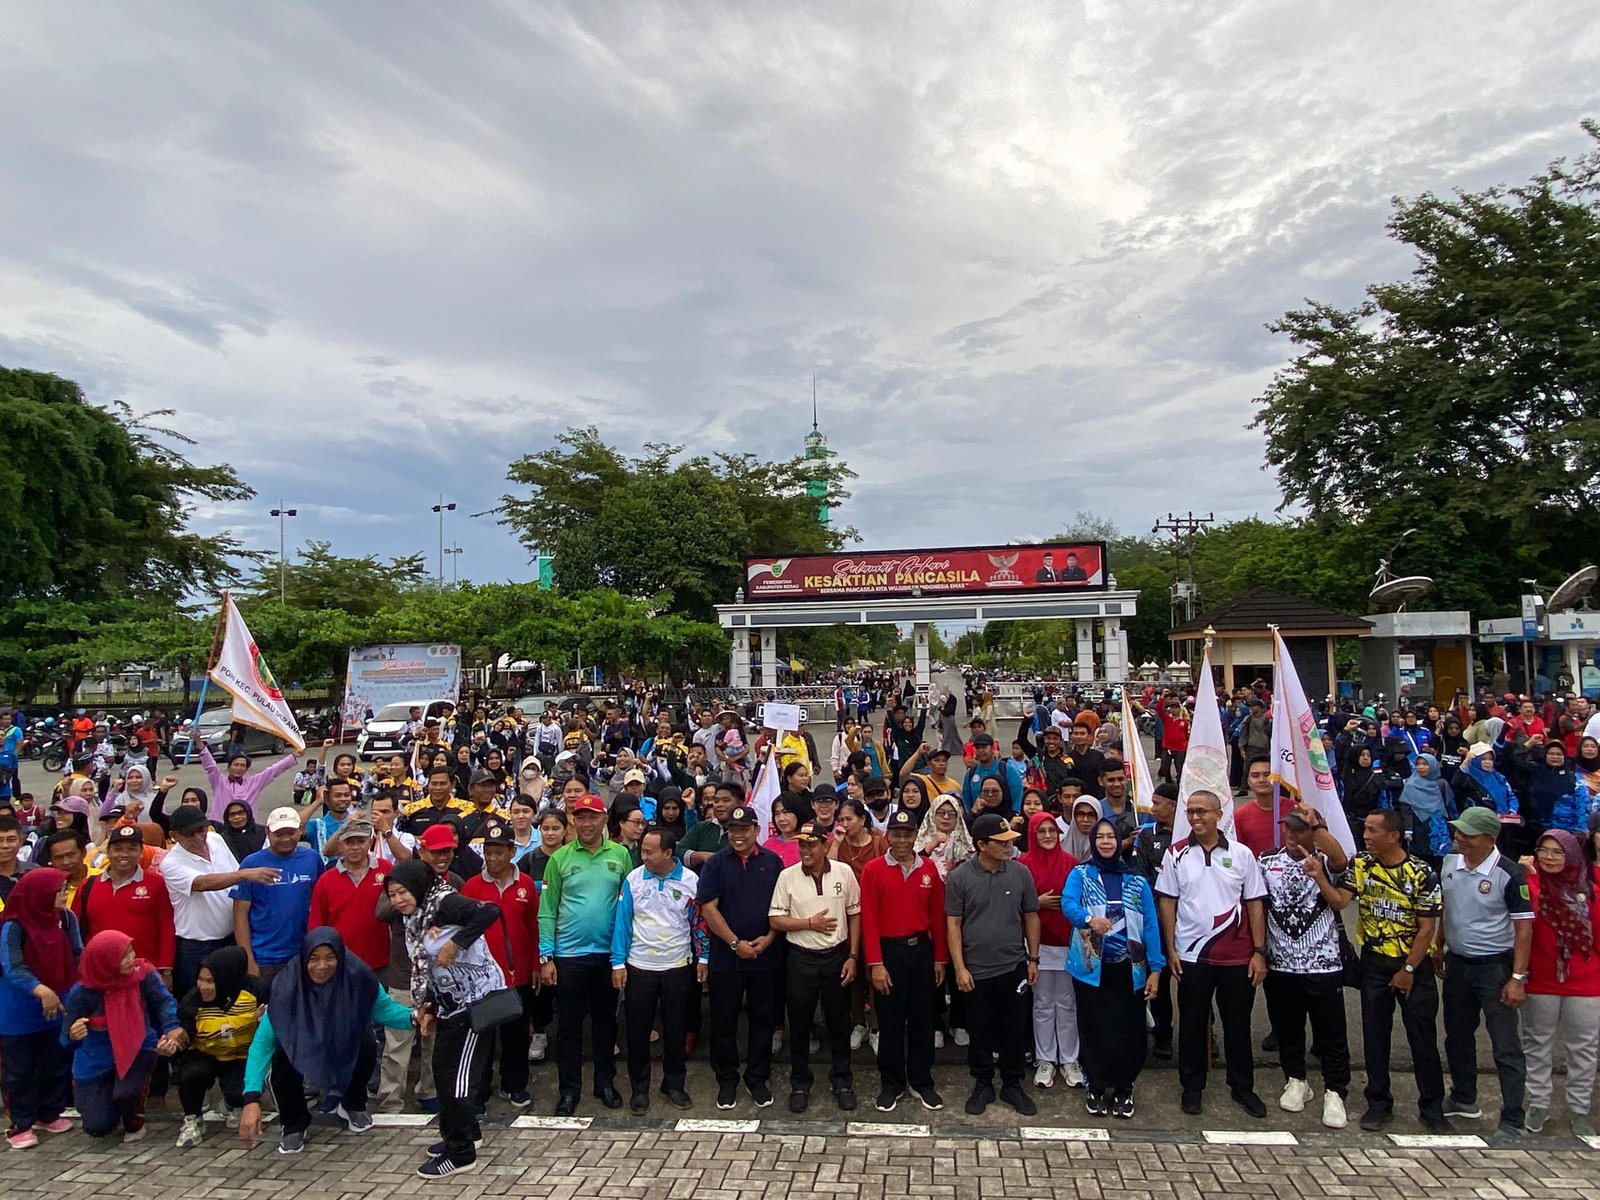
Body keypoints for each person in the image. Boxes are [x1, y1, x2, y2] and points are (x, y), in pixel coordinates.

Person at [237, 928, 413, 1156]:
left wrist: (414, 1018)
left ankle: (352, 1104)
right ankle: (293, 1123)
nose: (322, 966)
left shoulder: (358, 975)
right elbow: (261, 1045)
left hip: (341, 1040)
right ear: (303, 959)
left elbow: (384, 1009)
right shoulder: (287, 988)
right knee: (282, 1056)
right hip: (301, 1044)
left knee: (366, 1040)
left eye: (330, 957)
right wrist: (251, 1099)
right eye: (314, 958)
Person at [384, 859, 508, 1176]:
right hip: (450, 1003)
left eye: (402, 892)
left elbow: (489, 911)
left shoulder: (443, 900)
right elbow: (425, 967)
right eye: (392, 894)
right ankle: (466, 1134)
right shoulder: (414, 917)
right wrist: (427, 1005)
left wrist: (456, 943)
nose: (398, 900)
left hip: (476, 1002)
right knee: (441, 1069)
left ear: (417, 886)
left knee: (456, 1079)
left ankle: (461, 1152)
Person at [1155, 788, 1269, 1118]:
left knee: (1237, 1025)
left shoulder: (1243, 854)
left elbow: (1255, 904)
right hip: (1192, 957)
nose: (1195, 817)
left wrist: (1259, 951)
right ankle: (1192, 1089)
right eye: (1190, 811)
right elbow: (1168, 902)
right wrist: (1172, 948)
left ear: (1219, 815)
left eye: (1202, 811)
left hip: (1237, 957)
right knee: (1191, 1025)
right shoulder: (1175, 854)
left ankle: (1242, 1087)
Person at [1342, 808, 1451, 1133]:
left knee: (1422, 1038)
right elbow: (1339, 900)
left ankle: (1431, 1107)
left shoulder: (1421, 873)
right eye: (1366, 830)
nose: (1366, 836)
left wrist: (1407, 969)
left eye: (1373, 831)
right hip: (1373, 961)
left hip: (1412, 966)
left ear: (1393, 835)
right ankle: (1378, 1102)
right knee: (1375, 1037)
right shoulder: (1361, 865)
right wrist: (1319, 875)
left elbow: (1426, 928)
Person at [1436, 805, 1532, 1135]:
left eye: (1467, 834)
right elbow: (1448, 907)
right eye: (1458, 832)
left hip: (1495, 968)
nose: (1459, 838)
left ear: (1490, 839)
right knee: (1457, 1036)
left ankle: (1513, 1116)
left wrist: (1518, 978)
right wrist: (1439, 944)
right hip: (1458, 964)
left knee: (1505, 1044)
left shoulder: (1509, 874)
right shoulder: (1449, 863)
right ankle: (1464, 1098)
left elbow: (1523, 929)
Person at [1258, 804, 1353, 1129]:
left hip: (1322, 962)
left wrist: (1319, 872)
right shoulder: (1267, 861)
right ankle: (1296, 1078)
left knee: (1331, 1031)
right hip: (1281, 962)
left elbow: (1341, 890)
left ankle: (1336, 1090)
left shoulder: (1328, 861)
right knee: (1288, 1026)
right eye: (1288, 828)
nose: (1291, 835)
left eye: (1299, 829)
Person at [1064, 818, 1165, 1118]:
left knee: (1129, 1030)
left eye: (1111, 837)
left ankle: (1124, 1087)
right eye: (1100, 837)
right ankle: (1095, 1084)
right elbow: (1069, 904)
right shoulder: (1081, 874)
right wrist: (1088, 920)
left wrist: (1156, 968)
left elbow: (1150, 925)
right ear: (1093, 841)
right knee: (1094, 1027)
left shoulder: (1137, 880)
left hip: (1129, 968)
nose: (1106, 842)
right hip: (1091, 967)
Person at [538, 792, 630, 1116]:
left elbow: (626, 910)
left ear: (605, 820)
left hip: (607, 956)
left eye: (593, 816)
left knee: (606, 1023)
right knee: (569, 1027)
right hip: (569, 956)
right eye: (580, 817)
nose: (587, 823)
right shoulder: (559, 859)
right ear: (573, 822)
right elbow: (547, 910)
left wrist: (621, 956)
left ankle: (604, 1083)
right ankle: (569, 1090)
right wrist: (546, 956)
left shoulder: (620, 855)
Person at [945, 812, 1040, 1117]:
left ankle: (1012, 1084)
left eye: (1009, 841)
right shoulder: (960, 877)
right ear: (981, 845)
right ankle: (983, 1083)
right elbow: (953, 924)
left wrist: (1033, 958)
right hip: (976, 970)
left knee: (1014, 1029)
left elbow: (1031, 916)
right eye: (1000, 842)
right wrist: (959, 967)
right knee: (980, 1030)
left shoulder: (1020, 873)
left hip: (1013, 966)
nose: (1008, 846)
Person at [769, 820, 862, 1113]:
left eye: (811, 844)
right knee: (799, 1023)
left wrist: (853, 956)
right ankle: (800, 1083)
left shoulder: (844, 872)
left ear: (825, 845)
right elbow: (775, 919)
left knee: (839, 1022)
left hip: (837, 956)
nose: (805, 850)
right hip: (801, 957)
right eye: (802, 844)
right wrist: (809, 923)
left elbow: (855, 915)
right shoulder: (787, 876)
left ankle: (842, 1080)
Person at [611, 824, 705, 1112]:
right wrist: (617, 962)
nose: (644, 856)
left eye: (650, 852)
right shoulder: (633, 879)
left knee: (676, 1030)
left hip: (678, 966)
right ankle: (639, 1089)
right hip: (639, 966)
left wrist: (704, 958)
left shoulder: (691, 881)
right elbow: (622, 923)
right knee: (638, 1032)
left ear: (668, 853)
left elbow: (699, 924)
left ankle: (674, 1083)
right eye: (642, 851)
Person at [859, 808, 946, 1113]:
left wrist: (939, 958)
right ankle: (891, 1083)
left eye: (907, 835)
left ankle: (922, 1081)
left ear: (915, 836)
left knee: (923, 1019)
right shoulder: (873, 870)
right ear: (888, 836)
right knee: (891, 1021)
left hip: (921, 951)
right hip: (889, 952)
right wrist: (875, 963)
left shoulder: (929, 870)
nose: (901, 840)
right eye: (896, 834)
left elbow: (937, 917)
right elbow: (868, 918)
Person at [696, 804, 783, 1109]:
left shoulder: (773, 862)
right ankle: (727, 1079)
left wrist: (769, 938)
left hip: (765, 956)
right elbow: (709, 908)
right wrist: (735, 944)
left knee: (763, 1020)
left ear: (756, 830)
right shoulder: (716, 864)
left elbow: (782, 907)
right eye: (733, 830)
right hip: (727, 957)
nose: (739, 836)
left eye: (744, 829)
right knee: (724, 1021)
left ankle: (757, 1078)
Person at [62, 929, 181, 1141]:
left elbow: (164, 1002)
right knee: (97, 1127)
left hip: (138, 1047)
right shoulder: (82, 992)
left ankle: (133, 1119)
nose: (132, 959)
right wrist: (73, 1034)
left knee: (126, 1094)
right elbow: (64, 1038)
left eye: (131, 951)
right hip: (96, 1061)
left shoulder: (143, 974)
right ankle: (110, 1103)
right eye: (124, 956)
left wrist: (171, 1027)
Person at [1521, 829, 1600, 1136]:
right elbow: (1522, 924)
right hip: (1540, 980)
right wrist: (1527, 875)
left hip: (1585, 983)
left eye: (1558, 852)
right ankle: (1538, 1105)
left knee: (1584, 1049)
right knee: (1537, 1045)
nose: (1550, 858)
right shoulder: (1529, 882)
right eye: (1544, 851)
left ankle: (1579, 1110)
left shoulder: (1589, 890)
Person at [460, 820, 540, 1107]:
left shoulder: (526, 884)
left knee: (516, 1036)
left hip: (517, 974)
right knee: (482, 1037)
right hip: (481, 979)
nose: (493, 858)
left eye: (499, 852)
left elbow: (532, 926)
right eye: (489, 852)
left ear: (511, 852)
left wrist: (535, 965)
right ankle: (479, 1090)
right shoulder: (472, 886)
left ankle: (514, 1085)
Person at [0, 868, 82, 1147]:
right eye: (59, 890)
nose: (64, 895)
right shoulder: (13, 926)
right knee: (18, 1070)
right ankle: (20, 1124)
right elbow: (12, 967)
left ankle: (49, 1113)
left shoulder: (67, 919)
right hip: (18, 1011)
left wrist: (67, 996)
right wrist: (41, 990)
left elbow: (76, 955)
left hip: (57, 1007)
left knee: (54, 1063)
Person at [161, 805, 275, 1000]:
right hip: (197, 947)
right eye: (190, 834)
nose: (199, 837)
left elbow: (232, 872)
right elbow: (202, 883)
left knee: (234, 997)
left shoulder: (216, 839)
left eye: (202, 829)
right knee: (198, 999)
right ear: (174, 835)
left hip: (231, 938)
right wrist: (245, 874)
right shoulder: (171, 863)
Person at [1017, 810, 1084, 1089]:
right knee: (1043, 1003)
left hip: (1067, 943)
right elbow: (1016, 903)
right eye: (1041, 831)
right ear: (1032, 834)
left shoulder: (1072, 863)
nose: (1047, 836)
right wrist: (1037, 903)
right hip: (1037, 945)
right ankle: (1045, 1058)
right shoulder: (1022, 865)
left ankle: (1070, 1059)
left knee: (1067, 1002)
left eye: (1051, 831)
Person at [171, 946, 261, 1149]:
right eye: (200, 979)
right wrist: (173, 1043)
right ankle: (193, 1117)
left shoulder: (255, 990)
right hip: (205, 1055)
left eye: (210, 981)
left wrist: (264, 1019)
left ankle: (231, 1103)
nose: (203, 986)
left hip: (240, 1056)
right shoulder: (192, 1001)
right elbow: (183, 1033)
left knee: (239, 1093)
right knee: (192, 1073)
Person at [231, 807, 323, 989]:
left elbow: (320, 903)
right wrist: (248, 959)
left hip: (303, 953)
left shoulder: (312, 859)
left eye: (291, 832)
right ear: (267, 832)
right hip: (265, 958)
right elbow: (239, 915)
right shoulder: (251, 864)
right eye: (279, 834)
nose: (286, 839)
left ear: (300, 830)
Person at [75, 823, 176, 987]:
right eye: (118, 848)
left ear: (141, 852)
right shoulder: (88, 886)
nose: (124, 854)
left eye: (132, 848)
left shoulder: (156, 883)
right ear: (108, 852)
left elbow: (166, 926)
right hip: (100, 974)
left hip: (144, 973)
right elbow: (75, 930)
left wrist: (165, 969)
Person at [307, 819, 390, 971]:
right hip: (340, 963)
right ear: (340, 846)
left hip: (380, 962)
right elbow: (316, 924)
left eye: (361, 841)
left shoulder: (386, 870)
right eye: (349, 842)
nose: (355, 847)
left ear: (370, 842)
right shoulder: (326, 880)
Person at [1133, 782, 1179, 1060]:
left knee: (1193, 981)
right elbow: (1142, 875)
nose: (1153, 808)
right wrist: (1160, 906)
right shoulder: (1148, 836)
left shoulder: (1190, 834)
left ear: (1173, 805)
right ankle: (1163, 1033)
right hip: (1158, 921)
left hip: (1189, 923)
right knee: (1158, 979)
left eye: (1158, 802)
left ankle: (1205, 1032)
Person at [197, 743, 297, 823]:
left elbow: (273, 771)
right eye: (236, 764)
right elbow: (210, 765)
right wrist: (198, 742)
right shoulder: (219, 781)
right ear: (229, 767)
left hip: (245, 827)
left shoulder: (254, 783)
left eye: (242, 765)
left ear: (246, 769)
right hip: (220, 826)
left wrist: (292, 757)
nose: (239, 768)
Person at [1232, 754, 1280, 856]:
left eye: (1267, 775)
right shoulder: (1240, 816)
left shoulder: (1293, 810)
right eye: (1255, 776)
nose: (1262, 780)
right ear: (1249, 782)